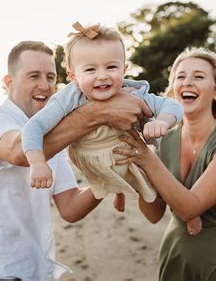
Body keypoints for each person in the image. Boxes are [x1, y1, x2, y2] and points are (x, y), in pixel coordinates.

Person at [0, 40, 152, 281]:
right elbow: (18, 153)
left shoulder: (52, 137)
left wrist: (108, 179)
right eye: (33, 76)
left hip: (38, 272)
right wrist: (99, 112)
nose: (45, 85)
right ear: (9, 82)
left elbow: (70, 207)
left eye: (51, 77)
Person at [114, 47, 216, 280]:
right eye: (180, 77)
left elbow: (190, 207)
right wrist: (138, 174)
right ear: (173, 89)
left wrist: (147, 159)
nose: (187, 82)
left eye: (198, 76)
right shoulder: (163, 143)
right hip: (178, 259)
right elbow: (153, 213)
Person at [22, 22, 183, 211]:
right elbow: (34, 126)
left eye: (111, 67)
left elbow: (173, 105)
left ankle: (184, 209)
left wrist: (162, 121)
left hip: (128, 156)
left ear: (124, 70)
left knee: (159, 184)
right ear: (73, 76)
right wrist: (38, 163)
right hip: (92, 163)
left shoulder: (133, 93)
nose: (102, 76)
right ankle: (119, 190)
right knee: (109, 179)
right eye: (90, 70)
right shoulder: (68, 98)